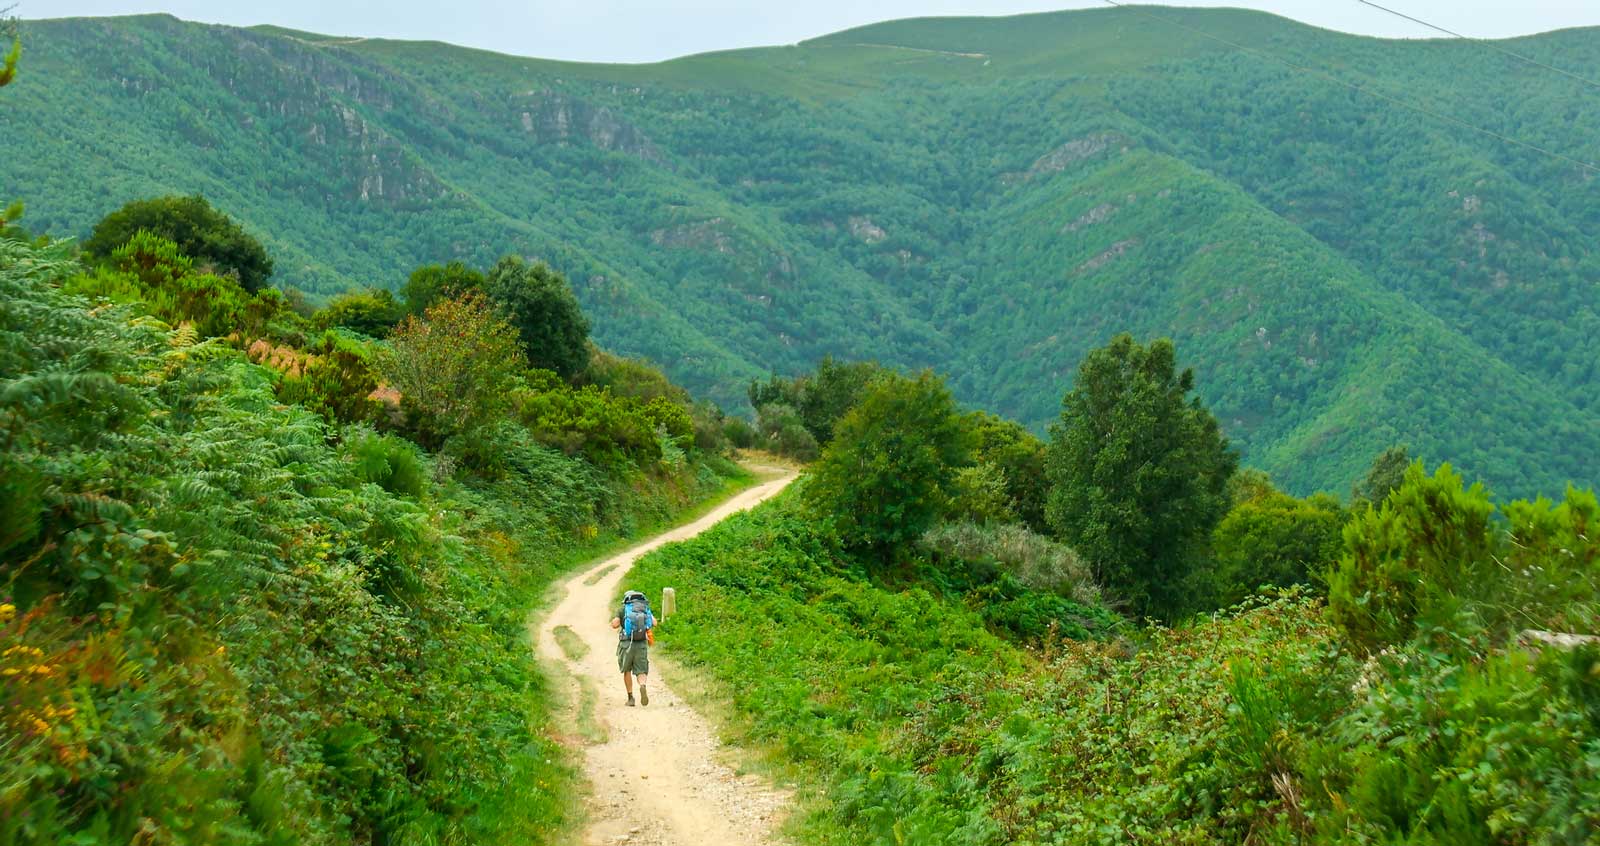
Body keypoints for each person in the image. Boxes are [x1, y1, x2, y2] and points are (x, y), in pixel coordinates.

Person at [611, 589, 655, 706]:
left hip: (626, 644)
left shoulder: (623, 609)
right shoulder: (644, 609)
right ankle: (642, 685)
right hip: (641, 643)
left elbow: (615, 624)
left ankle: (630, 698)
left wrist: (616, 621)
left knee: (627, 670)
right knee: (641, 670)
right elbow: (654, 623)